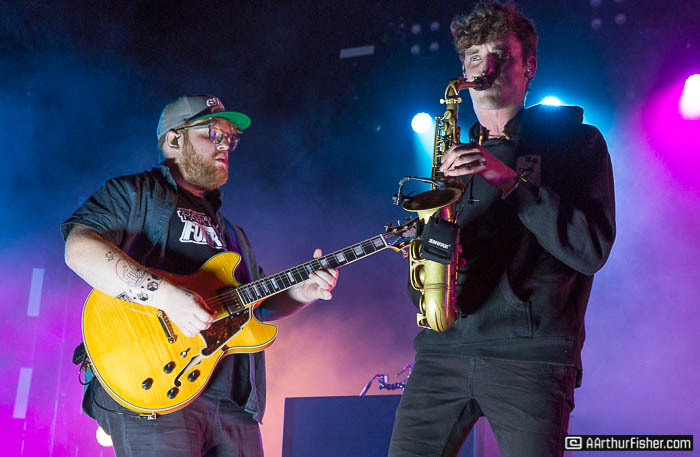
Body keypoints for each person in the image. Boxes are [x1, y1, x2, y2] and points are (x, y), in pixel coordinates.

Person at [388, 2, 616, 456]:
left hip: (531, 358)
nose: (485, 68)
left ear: (529, 66)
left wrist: (510, 181)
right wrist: (432, 251)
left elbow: (590, 249)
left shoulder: (578, 142)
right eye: (474, 56)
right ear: (463, 71)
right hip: (442, 353)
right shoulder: (451, 158)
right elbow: (426, 287)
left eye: (500, 55)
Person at [61, 94, 338, 457]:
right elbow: (79, 249)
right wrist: (166, 296)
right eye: (214, 134)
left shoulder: (233, 233)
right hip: (155, 387)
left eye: (231, 139)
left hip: (232, 404)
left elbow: (256, 309)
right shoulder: (135, 193)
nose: (225, 145)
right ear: (174, 139)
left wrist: (302, 293)